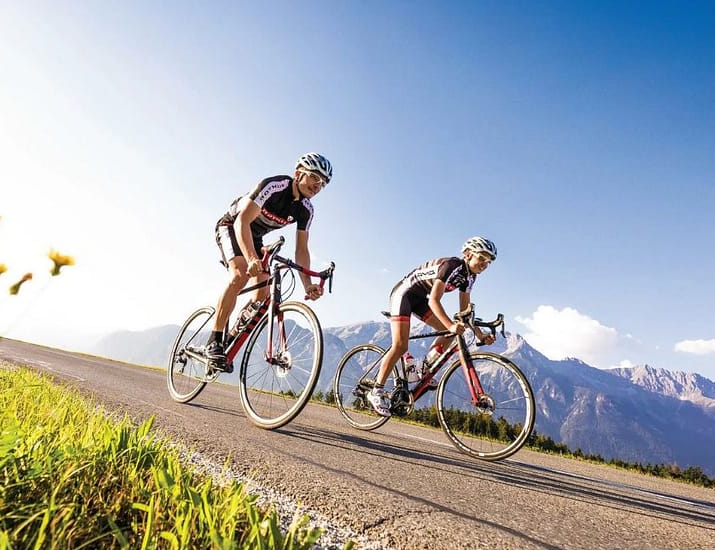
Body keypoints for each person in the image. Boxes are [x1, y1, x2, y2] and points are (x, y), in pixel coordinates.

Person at [204, 152, 333, 370]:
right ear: (299, 173)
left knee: (262, 295)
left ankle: (230, 340)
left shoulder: (306, 211)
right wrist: (252, 258)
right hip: (232, 226)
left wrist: (307, 284)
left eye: (323, 183)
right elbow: (242, 222)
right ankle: (214, 341)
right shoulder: (274, 186)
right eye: (314, 178)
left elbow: (302, 250)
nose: (318, 186)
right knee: (240, 274)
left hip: (255, 238)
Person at [365, 236, 498, 416]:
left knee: (451, 333)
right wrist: (451, 325)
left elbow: (465, 313)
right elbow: (435, 300)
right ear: (467, 254)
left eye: (488, 261)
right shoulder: (452, 265)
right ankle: (377, 390)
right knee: (401, 344)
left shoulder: (470, 277)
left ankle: (422, 368)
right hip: (404, 294)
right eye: (482, 257)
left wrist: (480, 335)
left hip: (421, 299)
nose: (485, 264)